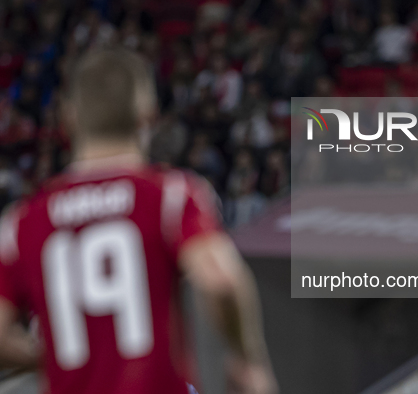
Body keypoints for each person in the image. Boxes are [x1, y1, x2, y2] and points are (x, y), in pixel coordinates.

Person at [0, 48, 277, 394]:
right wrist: (247, 360)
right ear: (148, 115)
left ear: (68, 117)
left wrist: (46, 356)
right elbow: (221, 281)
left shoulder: (22, 221)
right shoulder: (170, 196)